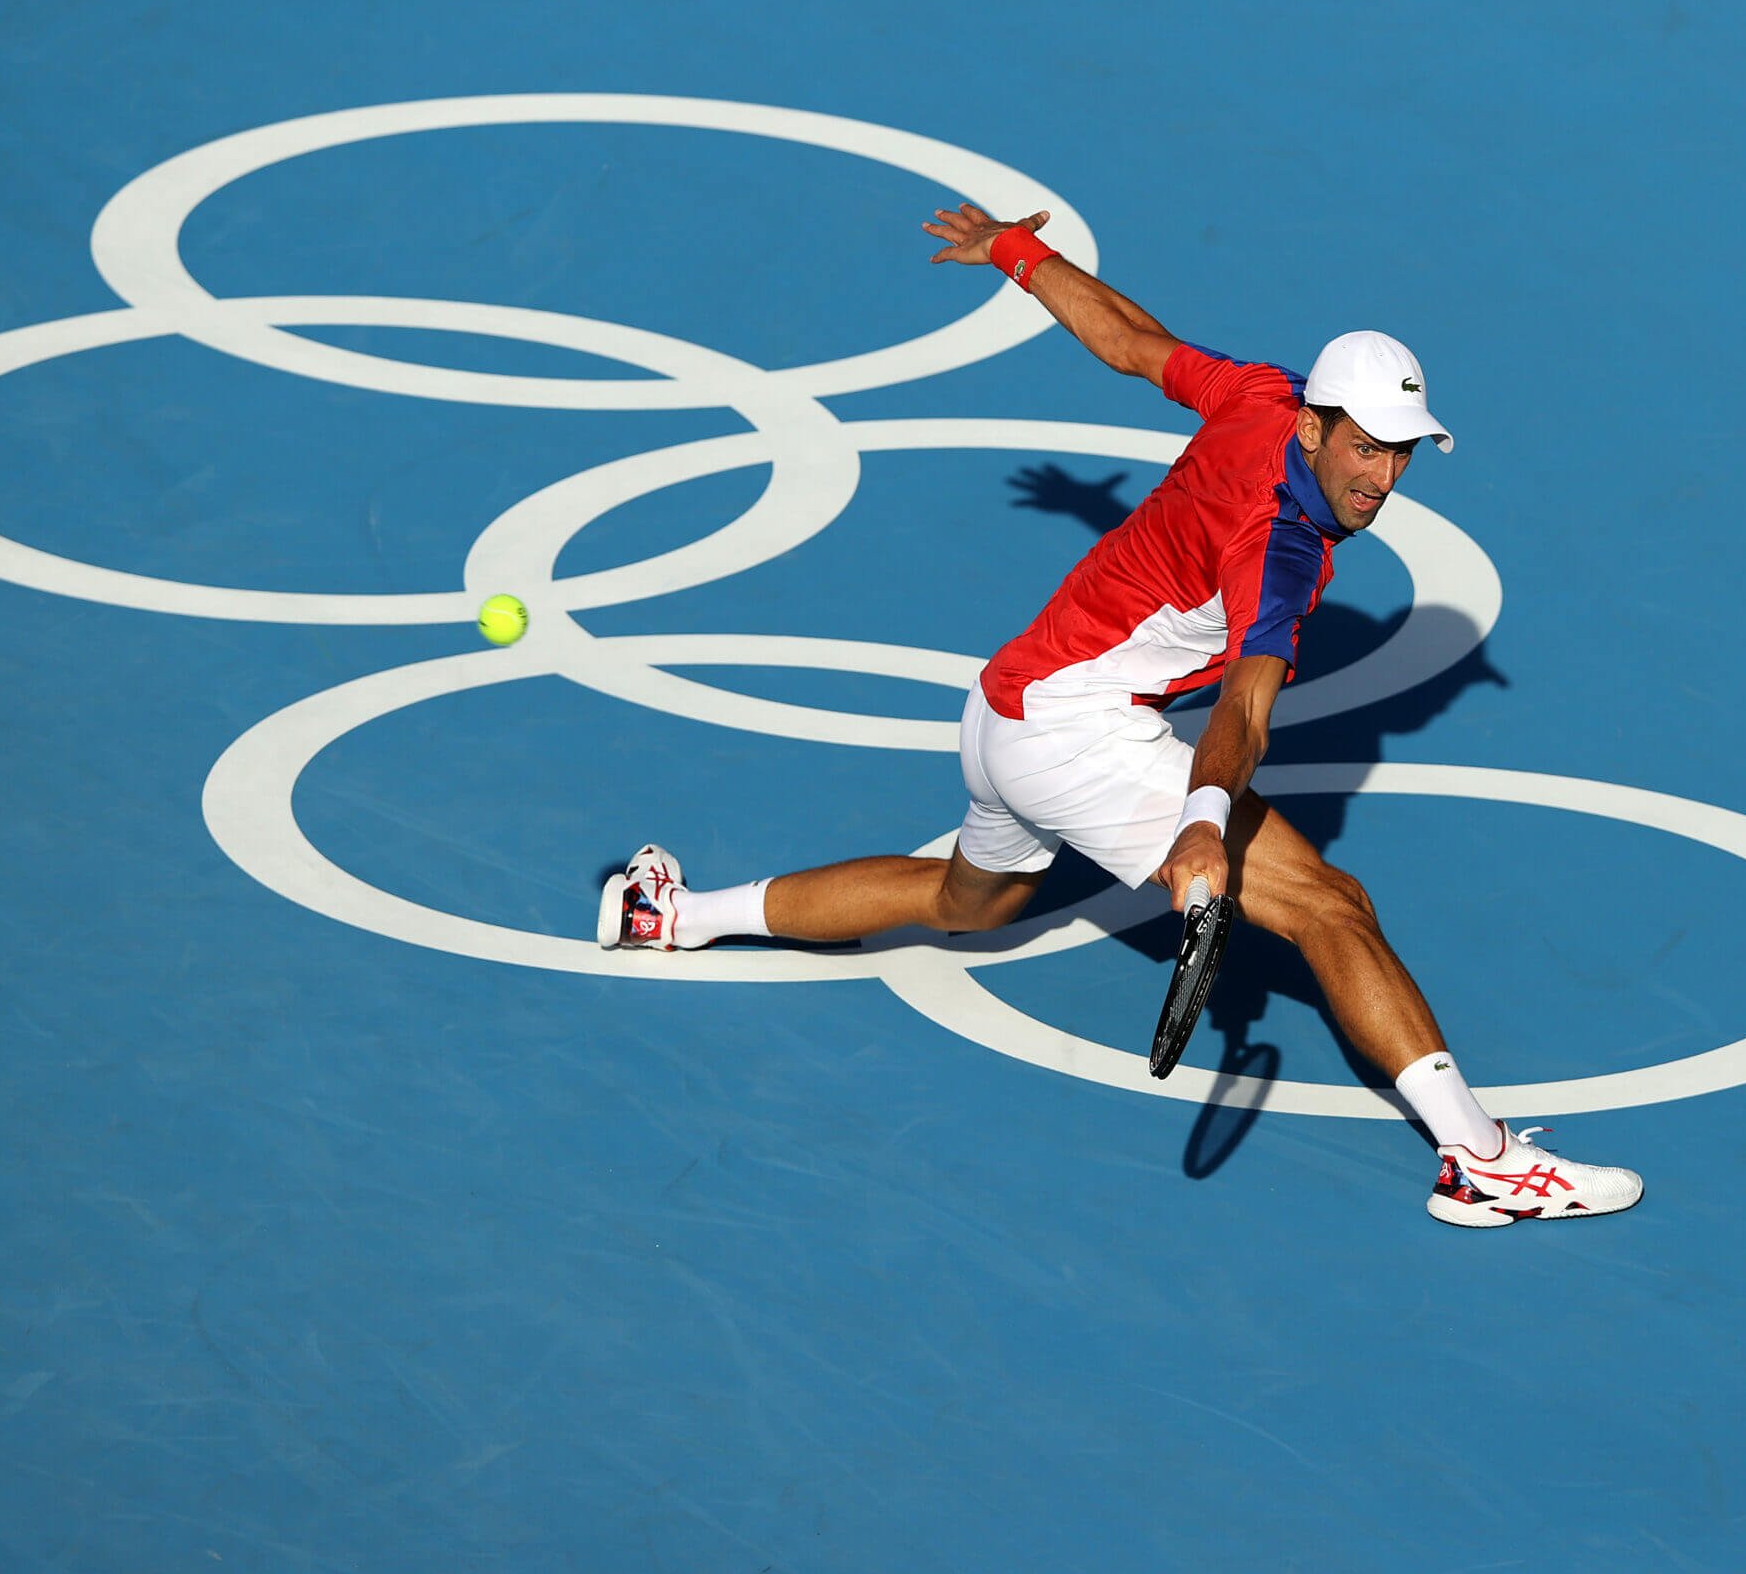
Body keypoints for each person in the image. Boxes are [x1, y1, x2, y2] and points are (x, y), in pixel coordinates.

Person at [600, 203, 1641, 1228]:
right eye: (1368, 448)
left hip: (1004, 710)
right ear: (1318, 428)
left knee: (968, 907)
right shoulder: (1281, 548)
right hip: (1077, 733)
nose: (1383, 476)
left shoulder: (1260, 398)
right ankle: (1482, 1162)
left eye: (1403, 451)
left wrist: (1012, 250)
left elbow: (1133, 345)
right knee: (1330, 908)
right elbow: (1246, 701)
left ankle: (671, 917)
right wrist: (1200, 820)